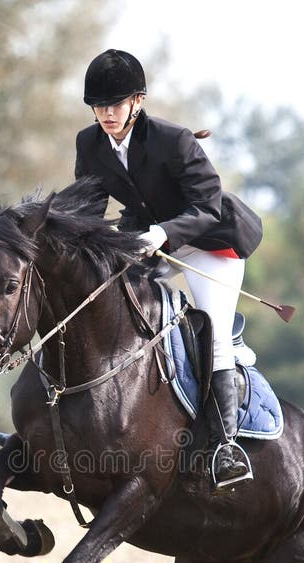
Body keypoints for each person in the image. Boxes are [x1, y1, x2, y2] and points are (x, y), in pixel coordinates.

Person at [75, 49, 262, 490]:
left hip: (211, 242)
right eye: (99, 105)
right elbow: (86, 206)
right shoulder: (89, 143)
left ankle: (225, 446)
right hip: (147, 242)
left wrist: (161, 234)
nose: (106, 113)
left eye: (115, 104)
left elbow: (209, 206)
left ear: (137, 101)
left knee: (211, 332)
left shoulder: (172, 139)